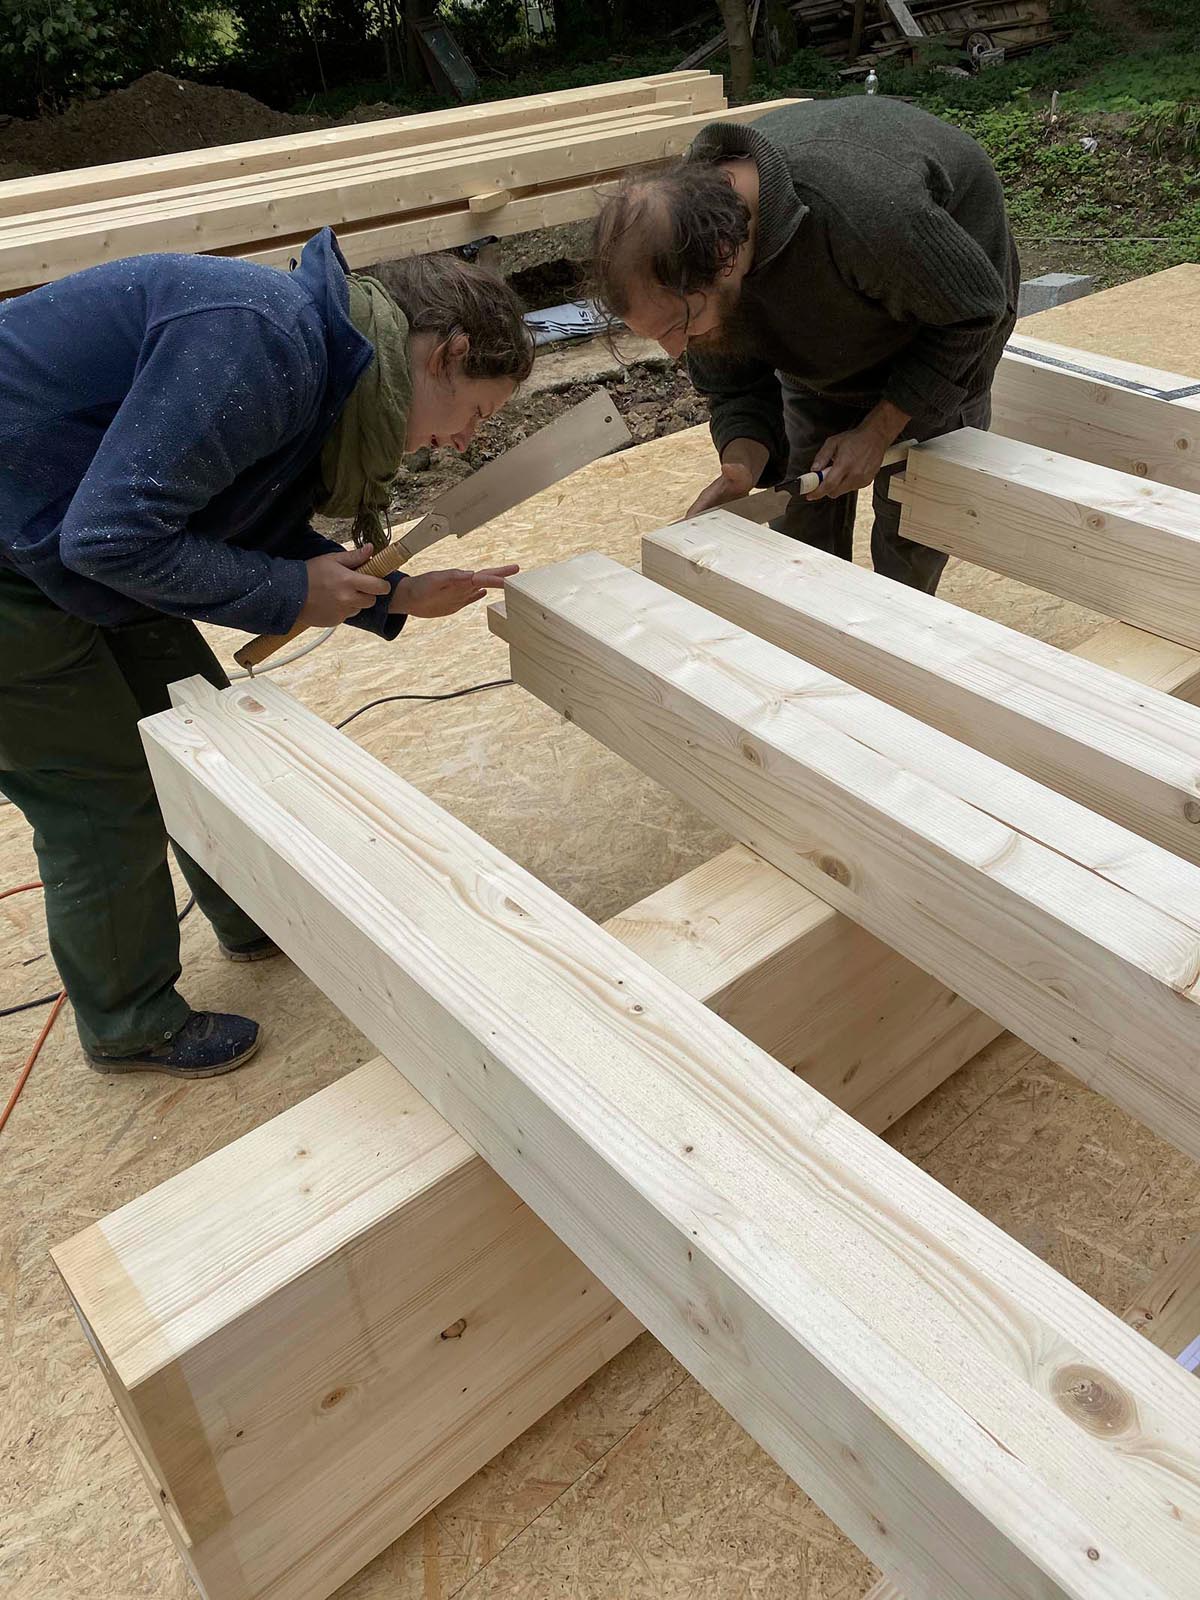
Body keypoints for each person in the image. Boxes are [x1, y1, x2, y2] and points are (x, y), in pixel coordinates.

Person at [0, 228, 533, 1079]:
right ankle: (130, 1023)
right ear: (447, 354)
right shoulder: (264, 339)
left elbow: (222, 516)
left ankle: (252, 912)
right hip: (26, 558)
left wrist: (397, 595)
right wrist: (292, 595)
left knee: (202, 725)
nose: (464, 442)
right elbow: (112, 538)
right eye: (478, 414)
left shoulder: (313, 361)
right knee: (102, 790)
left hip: (59, 532)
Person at [592, 97, 1019, 592]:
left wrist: (880, 428)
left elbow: (975, 314)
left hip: (939, 318)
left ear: (724, 260)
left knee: (910, 528)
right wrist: (742, 461)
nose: (674, 350)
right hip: (836, 320)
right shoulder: (693, 233)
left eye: (676, 326)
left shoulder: (868, 210)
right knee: (801, 530)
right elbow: (733, 380)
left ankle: (894, 645)